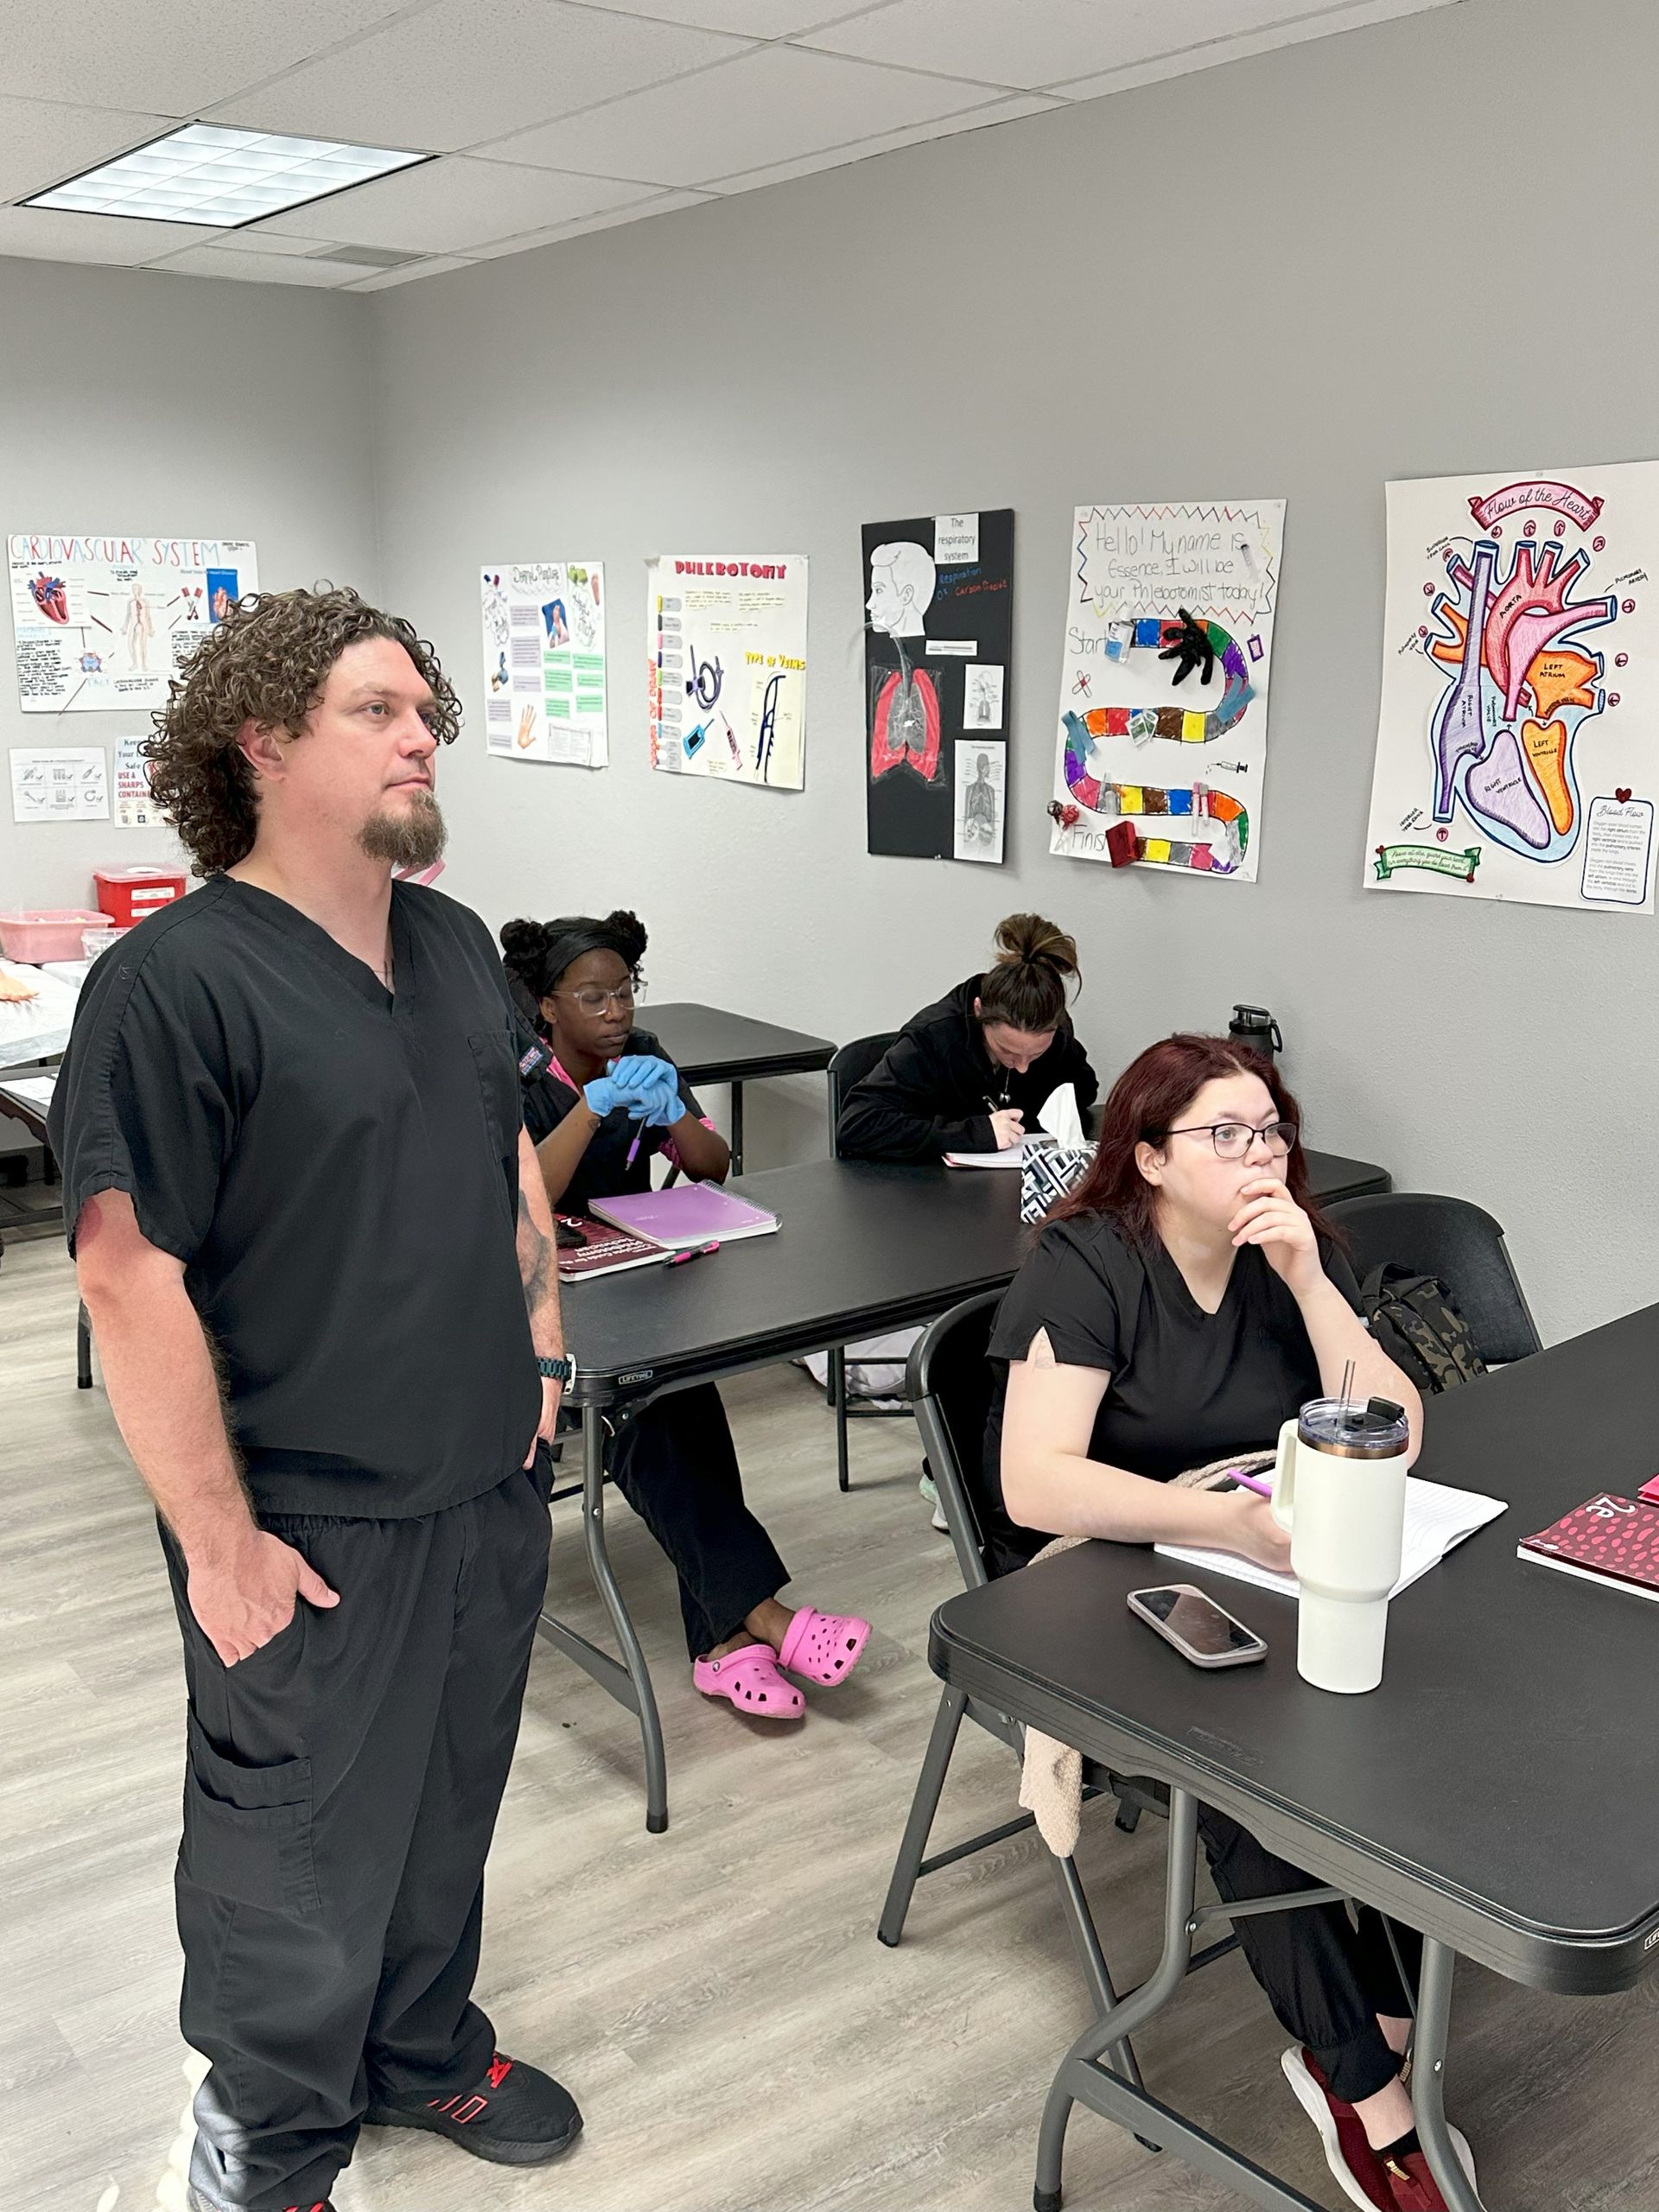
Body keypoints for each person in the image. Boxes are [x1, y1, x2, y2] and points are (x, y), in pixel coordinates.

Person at [50, 586, 582, 2212]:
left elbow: (504, 1155)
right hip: (308, 1519)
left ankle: (421, 2048)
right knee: (292, 1858)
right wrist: (218, 1546)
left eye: (428, 708)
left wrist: (545, 1348)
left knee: (446, 1803)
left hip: (485, 1483)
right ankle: (270, 2139)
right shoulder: (175, 986)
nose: (426, 729)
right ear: (265, 742)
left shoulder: (446, 941)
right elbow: (127, 1279)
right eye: (379, 707)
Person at [988, 1034, 1474, 2212]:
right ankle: (1365, 2087)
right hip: (1109, 1572)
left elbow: (1395, 1431)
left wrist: (1311, 1282)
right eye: (1227, 1134)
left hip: (1267, 1551)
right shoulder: (1086, 1263)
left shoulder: (1285, 1253)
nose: (1261, 1155)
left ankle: (1389, 2002)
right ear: (1149, 1157)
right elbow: (1032, 1486)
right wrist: (1213, 1528)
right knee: (1250, 1789)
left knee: (1412, 1723)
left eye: (1271, 1130)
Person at [501, 910, 871, 1723]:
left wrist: (671, 1112)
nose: (615, 1013)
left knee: (678, 1395)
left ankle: (726, 1643)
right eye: (591, 998)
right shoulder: (515, 1072)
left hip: (634, 1276)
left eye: (624, 994)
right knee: (656, 1408)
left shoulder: (645, 1057)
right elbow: (527, 1198)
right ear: (547, 1006)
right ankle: (762, 1618)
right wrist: (592, 1109)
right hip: (542, 1300)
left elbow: (713, 1163)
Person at [836, 912, 1097, 1163]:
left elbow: (1083, 1091)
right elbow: (857, 1124)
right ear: (978, 1010)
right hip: (927, 1191)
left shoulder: (1057, 1033)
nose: (1022, 1066)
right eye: (1007, 1051)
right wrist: (974, 1133)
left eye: (1036, 1054)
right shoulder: (933, 1038)